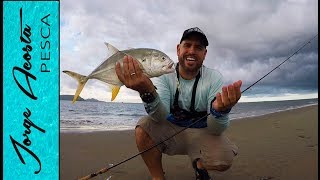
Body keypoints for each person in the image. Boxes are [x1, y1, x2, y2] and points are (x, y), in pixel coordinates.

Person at [116, 27, 242, 180]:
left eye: (198, 47)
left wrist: (220, 111)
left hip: (203, 133)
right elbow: (160, 117)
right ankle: (158, 178)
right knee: (143, 128)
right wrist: (147, 92)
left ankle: (199, 164)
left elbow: (216, 129)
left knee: (224, 159)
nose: (192, 51)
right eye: (187, 45)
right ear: (178, 49)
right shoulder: (163, 74)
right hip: (172, 133)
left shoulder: (214, 78)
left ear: (205, 54)